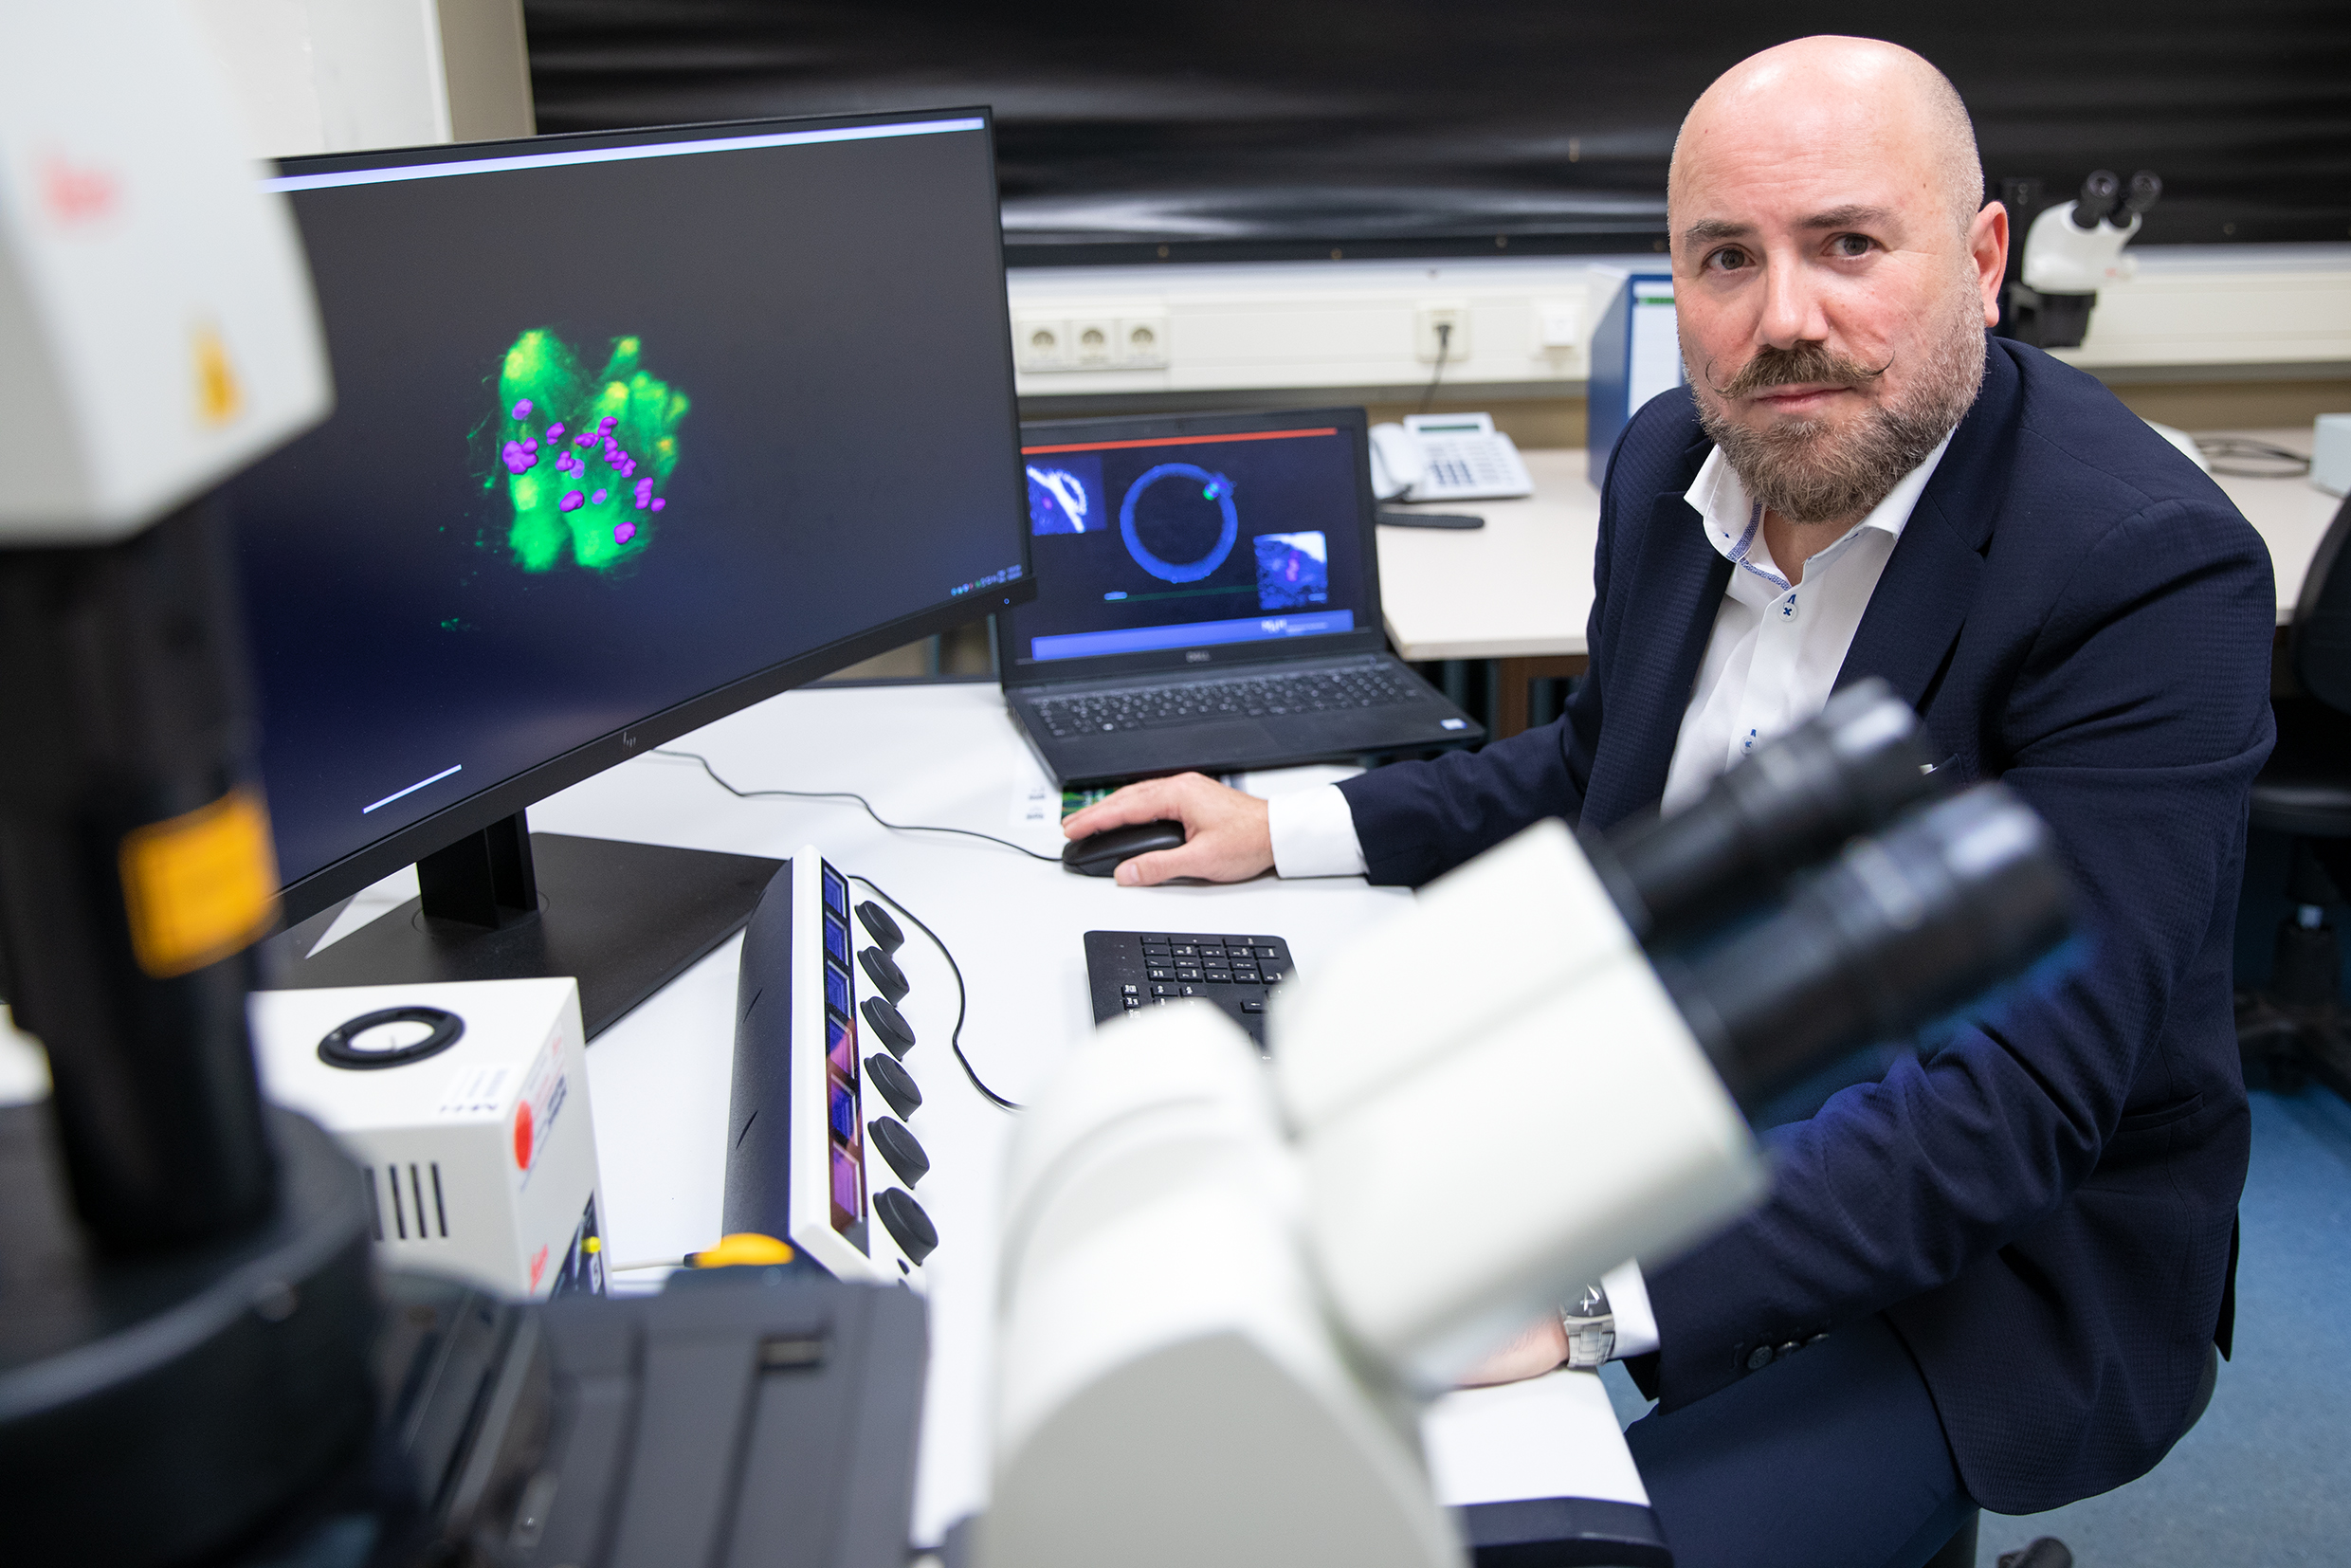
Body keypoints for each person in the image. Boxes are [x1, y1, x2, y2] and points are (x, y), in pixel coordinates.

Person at [1060, 35, 2275, 1568]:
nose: (1786, 317)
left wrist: (1580, 1297)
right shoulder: (1667, 468)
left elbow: (2014, 1100)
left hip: (1991, 1255)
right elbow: (1595, 770)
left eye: (1849, 244)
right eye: (1727, 258)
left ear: (1981, 263)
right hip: (1684, 1094)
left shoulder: (2142, 569)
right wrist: (1296, 827)